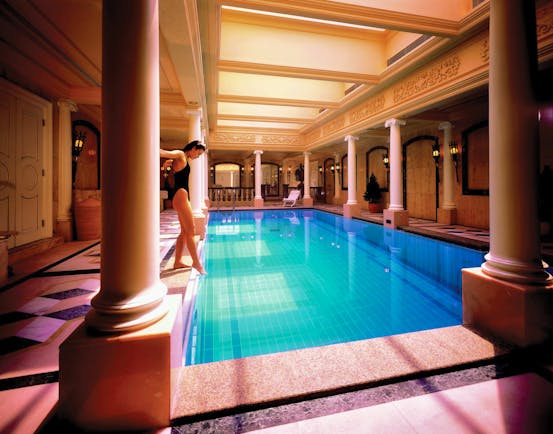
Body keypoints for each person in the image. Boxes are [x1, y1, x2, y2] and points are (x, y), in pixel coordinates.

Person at [160, 140, 207, 274]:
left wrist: (169, 163)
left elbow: (173, 164)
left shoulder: (183, 159)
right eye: (198, 153)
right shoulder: (180, 154)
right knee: (191, 230)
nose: (197, 156)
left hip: (180, 196)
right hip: (180, 196)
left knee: (184, 232)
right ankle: (196, 263)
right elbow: (164, 152)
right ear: (193, 148)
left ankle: (177, 261)